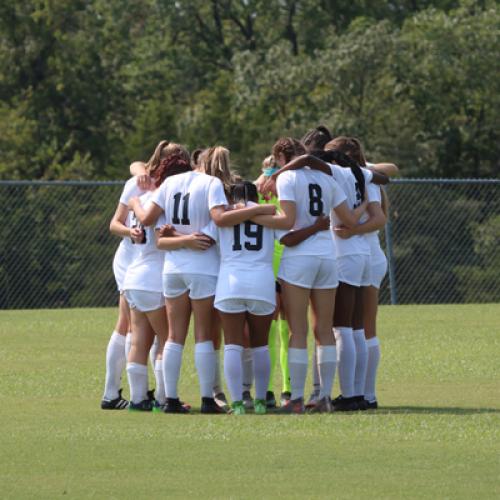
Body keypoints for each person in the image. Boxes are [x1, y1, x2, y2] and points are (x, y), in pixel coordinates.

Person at [129, 149, 276, 413]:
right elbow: (215, 227)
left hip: (173, 267)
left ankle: (170, 399)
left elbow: (153, 227)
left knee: (174, 337)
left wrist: (172, 233)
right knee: (203, 336)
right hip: (203, 267)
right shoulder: (212, 184)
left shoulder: (170, 183)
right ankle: (208, 399)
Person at [253, 137, 368, 413]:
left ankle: (294, 399)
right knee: (324, 329)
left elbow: (287, 221)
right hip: (328, 256)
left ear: (281, 157)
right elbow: (350, 221)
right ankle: (325, 396)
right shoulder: (328, 179)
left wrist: (253, 216)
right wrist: (365, 203)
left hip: (299, 259)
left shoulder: (287, 178)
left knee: (297, 330)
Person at [329, 137, 398, 409]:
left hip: (362, 254)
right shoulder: (363, 175)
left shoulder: (355, 175)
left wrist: (353, 230)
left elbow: (379, 217)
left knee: (358, 327)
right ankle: (366, 394)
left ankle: (361, 393)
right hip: (367, 255)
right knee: (364, 328)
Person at [202, 181, 281, 415]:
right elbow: (287, 233)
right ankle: (259, 401)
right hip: (262, 282)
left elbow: (204, 239)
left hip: (230, 281)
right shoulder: (268, 213)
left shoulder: (225, 216)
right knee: (261, 346)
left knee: (233, 346)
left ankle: (236, 402)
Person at [123, 148, 192, 411]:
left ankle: (138, 398)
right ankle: (165, 398)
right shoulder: (162, 199)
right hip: (153, 278)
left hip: (134, 276)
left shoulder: (140, 196)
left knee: (140, 341)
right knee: (167, 339)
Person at [101, 153, 153, 410]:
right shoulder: (136, 182)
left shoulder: (166, 183)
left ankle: (142, 392)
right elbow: (114, 224)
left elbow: (136, 164)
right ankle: (115, 394)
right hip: (130, 261)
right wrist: (130, 232)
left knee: (146, 328)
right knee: (129, 326)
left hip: (148, 263)